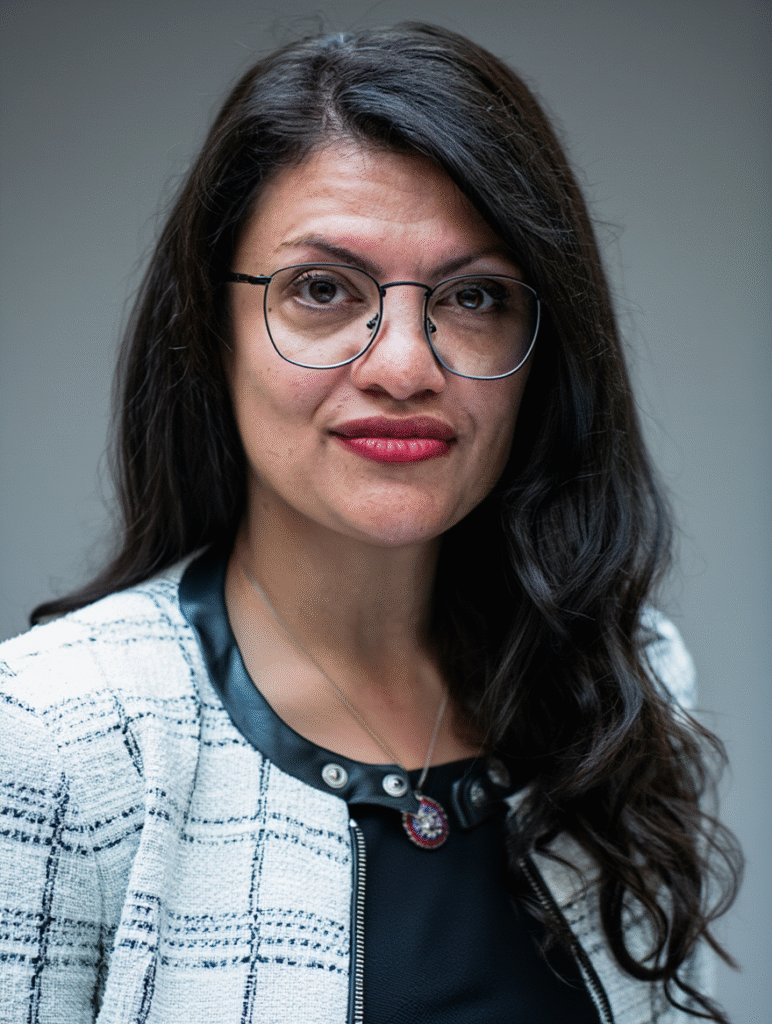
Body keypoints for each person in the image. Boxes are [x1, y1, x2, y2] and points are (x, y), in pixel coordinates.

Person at [0, 22, 740, 1024]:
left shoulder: (623, 685)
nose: (403, 366)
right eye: (321, 290)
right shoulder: (51, 738)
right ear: (209, 330)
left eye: (474, 297)